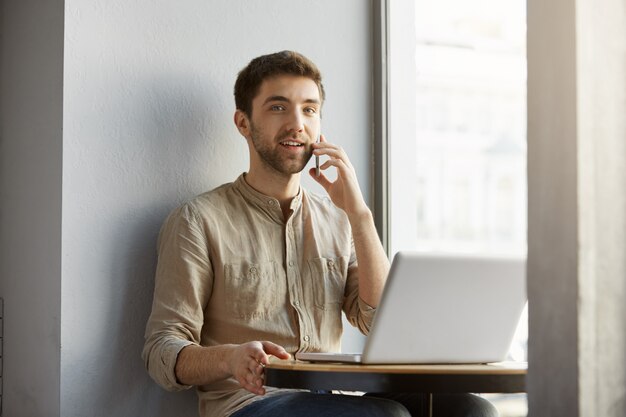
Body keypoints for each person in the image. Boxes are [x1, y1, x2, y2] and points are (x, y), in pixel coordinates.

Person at [142, 50, 498, 417]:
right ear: (244, 123)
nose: (298, 123)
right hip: (251, 404)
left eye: (309, 109)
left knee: (469, 409)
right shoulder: (197, 220)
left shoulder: (339, 219)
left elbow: (374, 319)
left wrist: (359, 215)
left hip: (337, 399)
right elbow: (162, 350)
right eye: (278, 107)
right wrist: (231, 359)